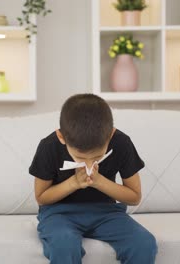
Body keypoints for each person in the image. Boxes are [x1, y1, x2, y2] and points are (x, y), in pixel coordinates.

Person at [29, 93, 158, 264]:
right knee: (64, 245)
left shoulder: (121, 142)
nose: (89, 164)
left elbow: (134, 197)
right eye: (80, 158)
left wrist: (99, 182)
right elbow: (41, 197)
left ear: (110, 135)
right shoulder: (49, 146)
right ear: (62, 138)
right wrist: (73, 183)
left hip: (106, 212)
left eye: (97, 157)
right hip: (59, 214)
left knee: (144, 243)